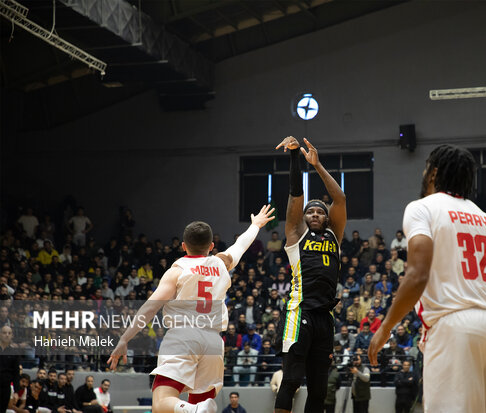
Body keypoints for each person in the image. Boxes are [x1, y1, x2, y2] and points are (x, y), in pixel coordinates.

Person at [368, 144, 486, 413]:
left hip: (452, 327)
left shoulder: (422, 208)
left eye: (425, 169)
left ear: (433, 173)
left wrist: (385, 327)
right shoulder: (484, 218)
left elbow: (417, 275)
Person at [107, 205, 275, 413]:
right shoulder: (221, 263)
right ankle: (194, 409)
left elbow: (150, 307)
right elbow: (240, 244)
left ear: (183, 246)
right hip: (213, 342)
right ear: (211, 246)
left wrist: (124, 339)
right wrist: (255, 225)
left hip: (183, 337)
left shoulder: (177, 271)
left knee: (161, 403)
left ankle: (190, 409)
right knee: (200, 404)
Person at [273, 137, 346, 413]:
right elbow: (295, 195)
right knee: (291, 380)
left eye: (320, 212)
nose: (315, 214)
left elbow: (340, 199)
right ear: (303, 218)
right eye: (310, 212)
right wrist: (295, 157)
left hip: (325, 317)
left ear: (327, 218)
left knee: (319, 390)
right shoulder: (296, 234)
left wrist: (317, 165)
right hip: (299, 312)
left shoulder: (334, 235)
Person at [0, 325, 20, 412]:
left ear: (12, 335)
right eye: (4, 333)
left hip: (5, 388)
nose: (7, 335)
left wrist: (16, 392)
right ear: (0, 334)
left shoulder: (14, 352)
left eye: (9, 333)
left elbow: (16, 373)